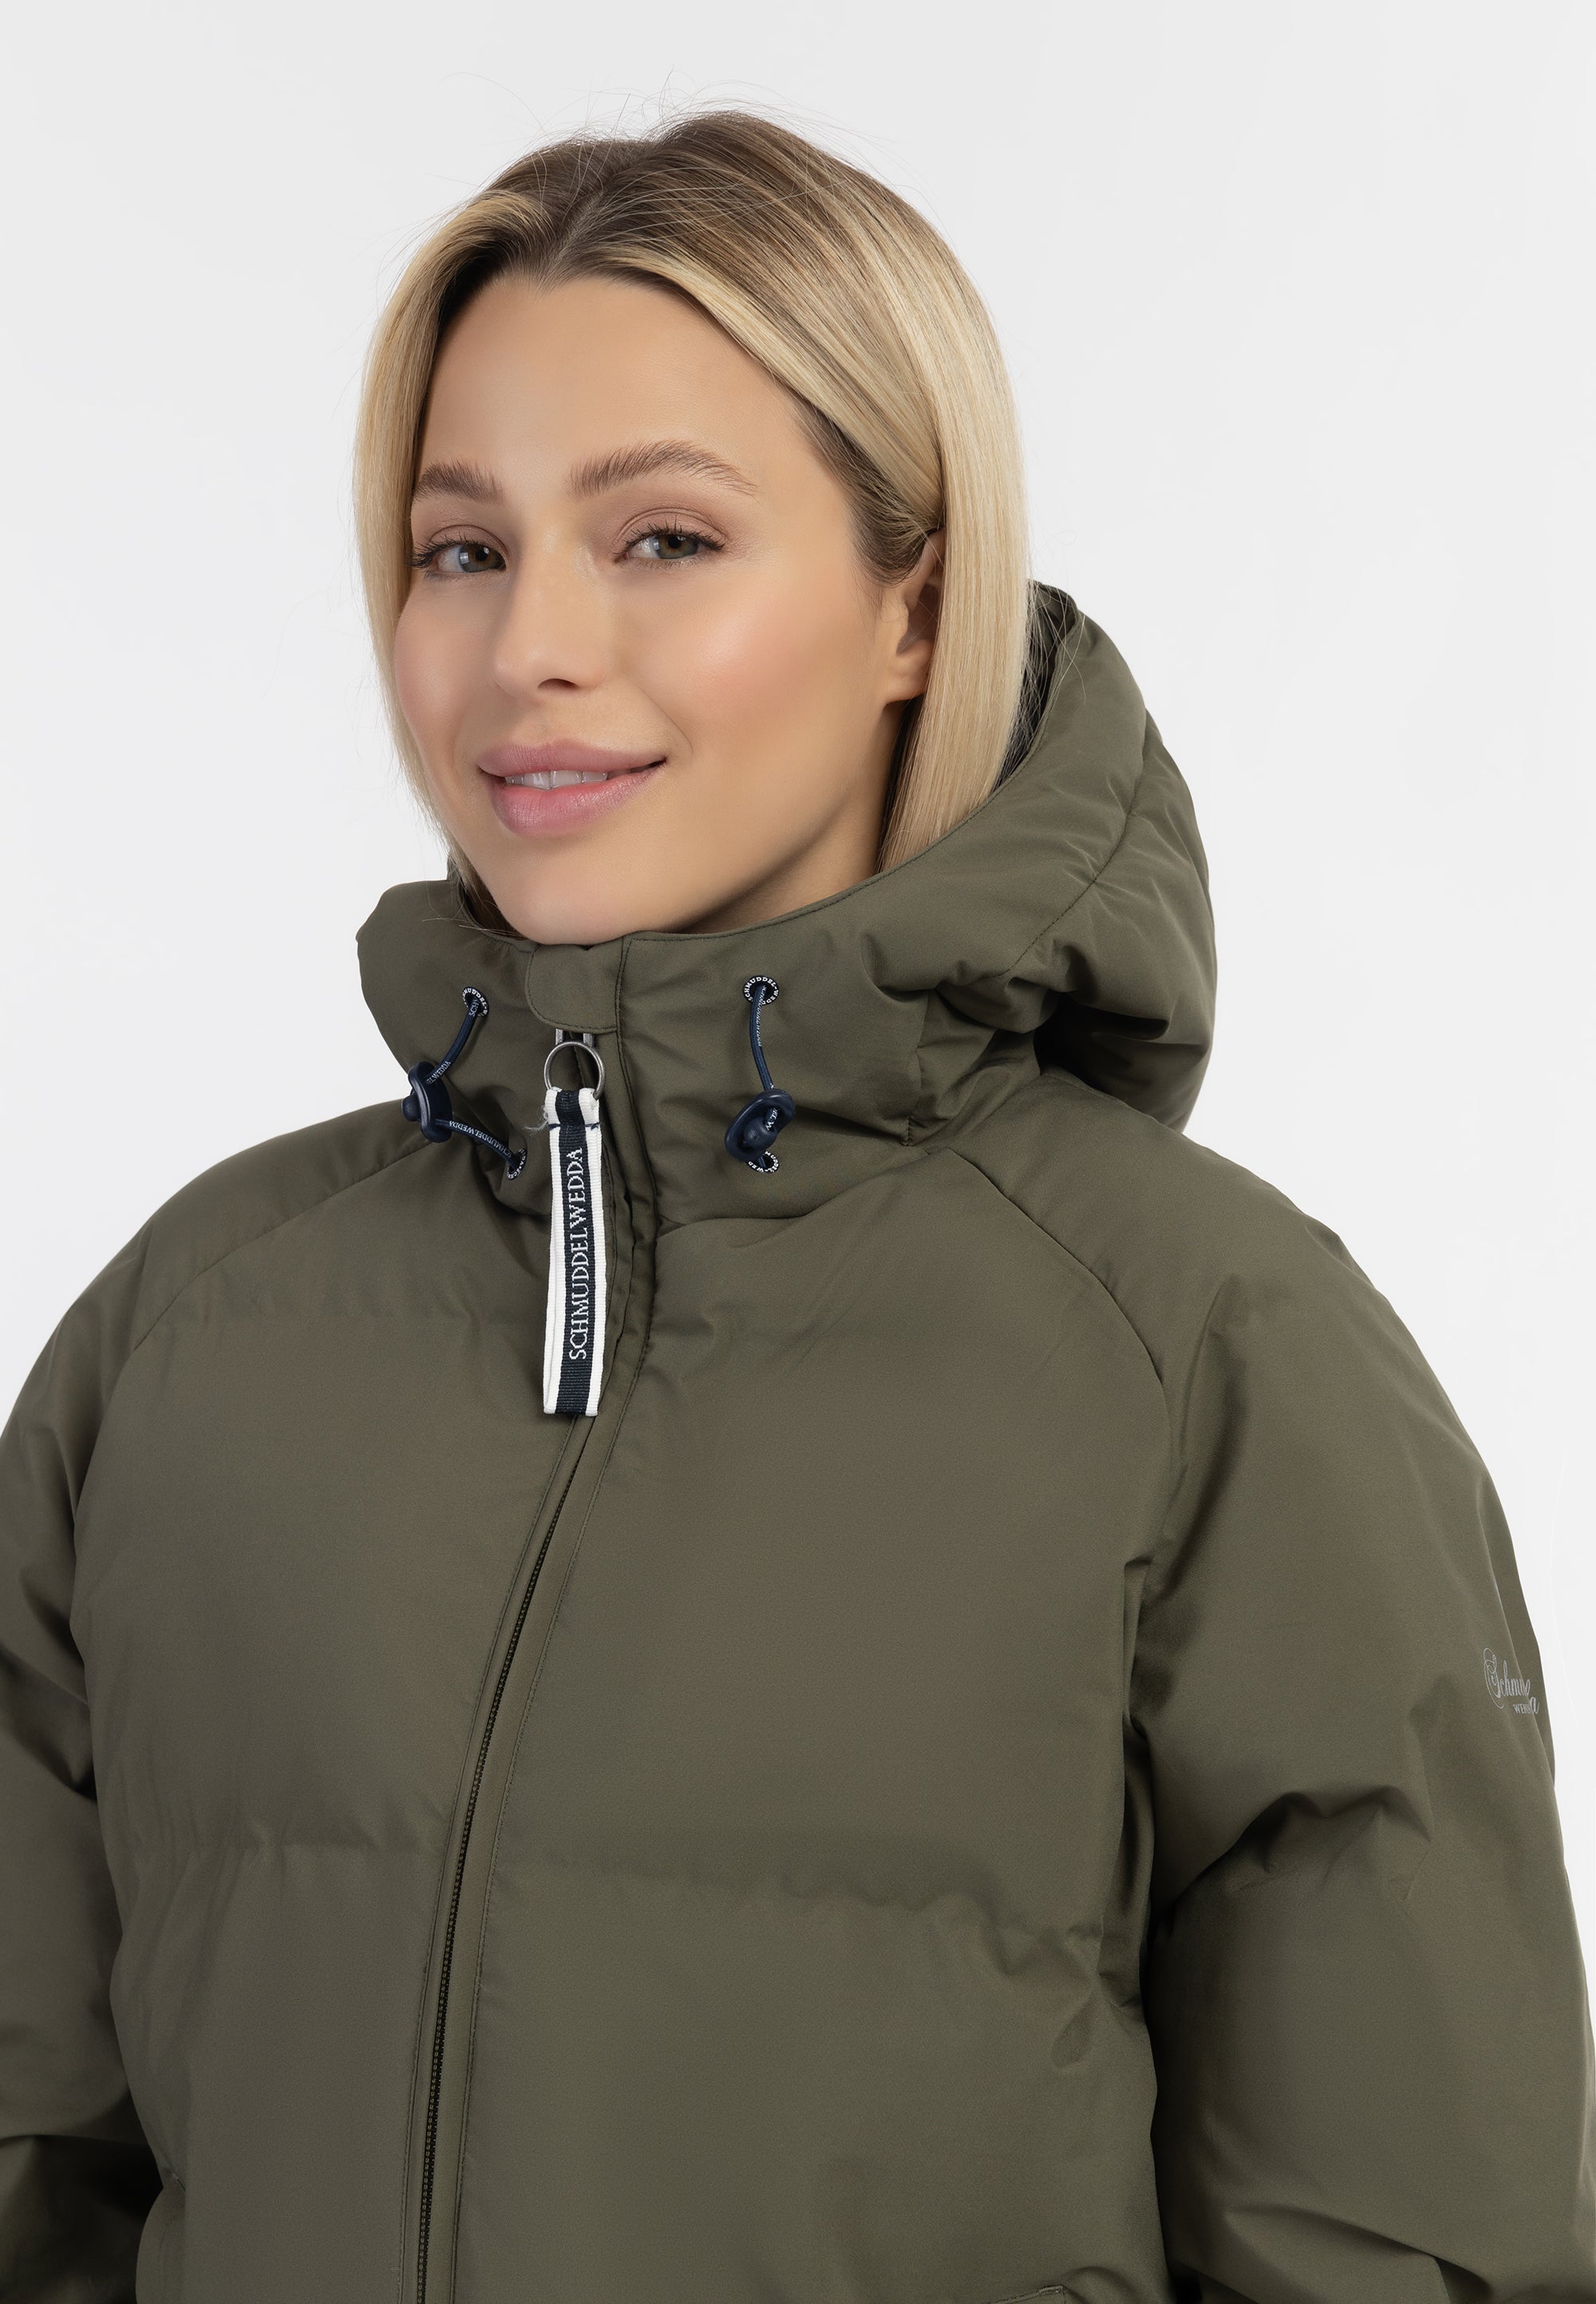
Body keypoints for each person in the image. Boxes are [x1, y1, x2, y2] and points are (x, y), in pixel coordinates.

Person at [2, 106, 1591, 2304]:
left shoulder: (1205, 1353)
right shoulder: (185, 1344)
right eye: (461, 549)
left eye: (662, 538)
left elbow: (1411, 2239)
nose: (530, 647)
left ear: (913, 604)